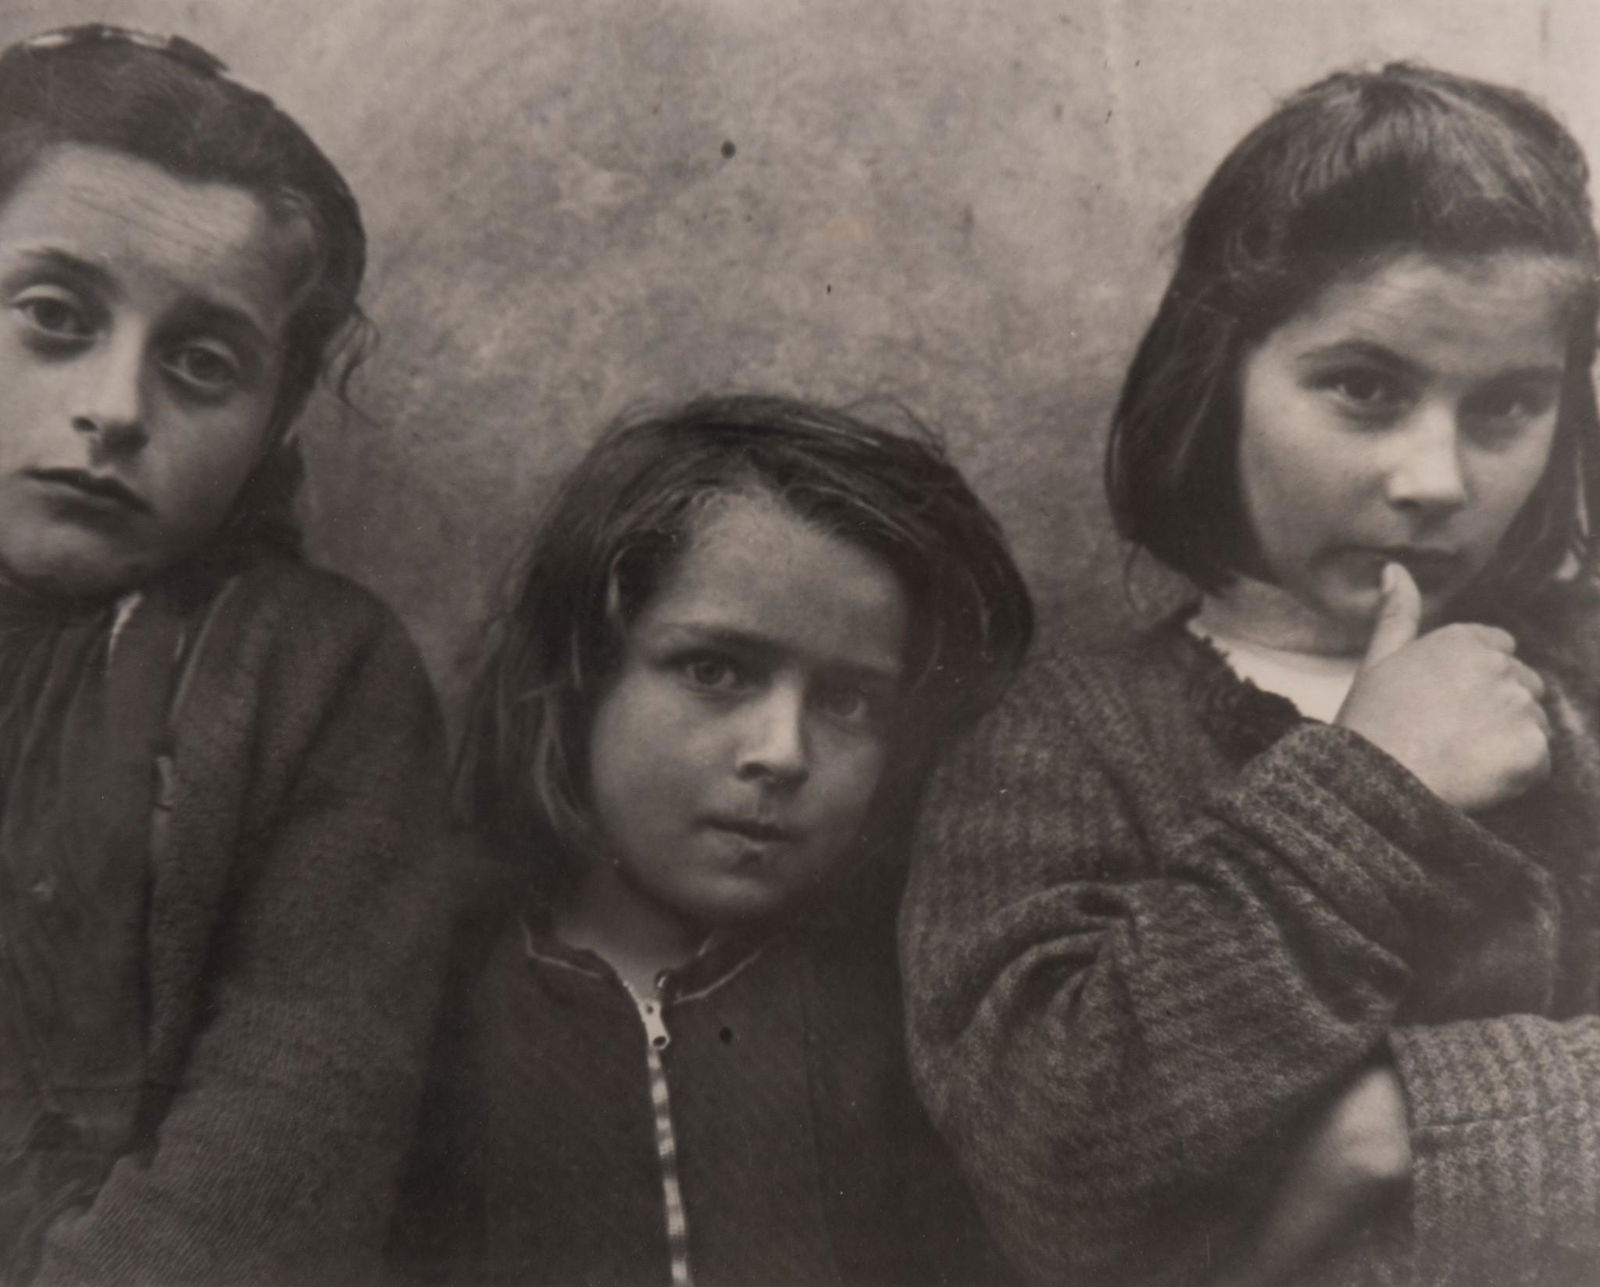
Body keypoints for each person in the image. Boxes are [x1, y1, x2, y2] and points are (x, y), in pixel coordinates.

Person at [901, 63, 1600, 1287]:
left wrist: (1387, 1135)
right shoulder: (1065, 742)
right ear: (1220, 376)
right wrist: (1370, 787)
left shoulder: (1583, 683)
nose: (1435, 479)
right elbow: (1048, 1161)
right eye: (1363, 389)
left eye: (1504, 409)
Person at [391, 395, 1033, 1286]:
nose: (782, 752)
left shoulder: (917, 1022)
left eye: (849, 702)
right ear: (580, 672)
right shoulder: (428, 999)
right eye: (715, 670)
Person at [0, 25, 454, 1285]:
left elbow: (294, 1114)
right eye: (52, 315)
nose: (116, 408)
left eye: (203, 364)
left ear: (275, 419)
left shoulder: (315, 679)